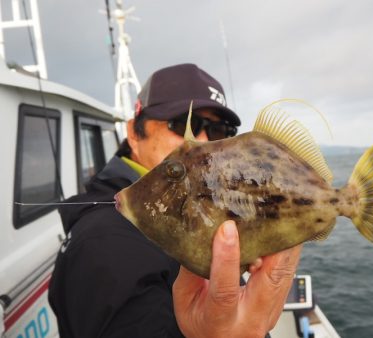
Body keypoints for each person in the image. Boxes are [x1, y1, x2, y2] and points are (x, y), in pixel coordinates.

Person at [48, 63, 301, 337]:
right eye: (183, 124)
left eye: (219, 131)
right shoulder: (104, 245)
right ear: (134, 133)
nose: (203, 142)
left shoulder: (196, 207)